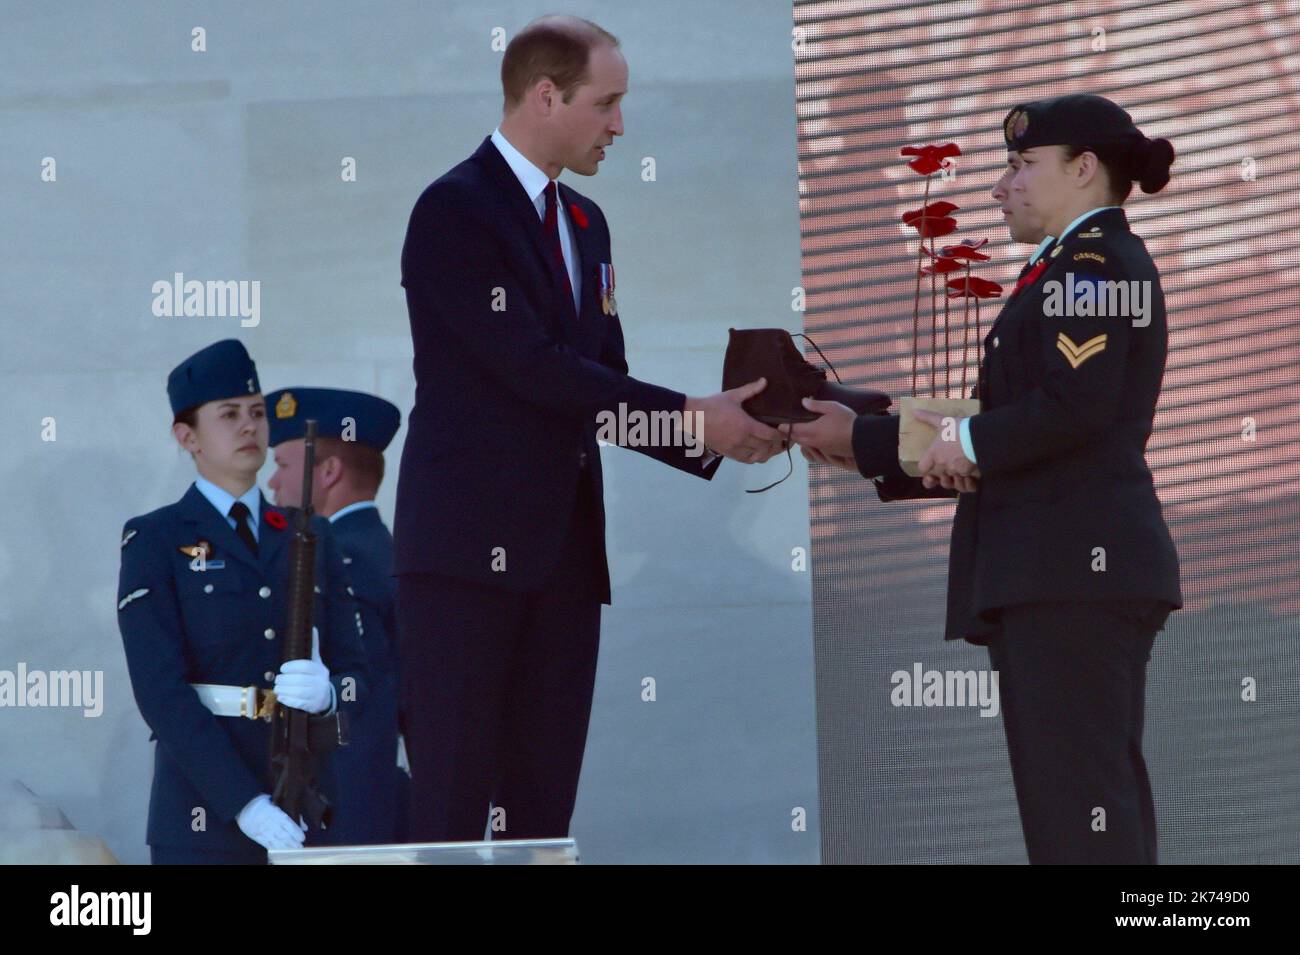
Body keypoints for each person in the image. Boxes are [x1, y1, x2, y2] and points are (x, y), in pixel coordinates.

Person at [393, 14, 786, 842]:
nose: (619, 125)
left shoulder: (586, 224)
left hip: (565, 562)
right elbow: (530, 368)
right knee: (456, 806)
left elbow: (597, 383)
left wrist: (721, 431)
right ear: (545, 95)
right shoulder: (453, 211)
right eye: (606, 104)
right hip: (468, 560)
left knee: (541, 811)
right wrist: (692, 420)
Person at [792, 93, 1183, 864]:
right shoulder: (1070, 268)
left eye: (1020, 166)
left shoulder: (1095, 266)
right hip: (1058, 569)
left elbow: (1072, 410)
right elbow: (1016, 421)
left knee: (1082, 817)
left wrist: (880, 439)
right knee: (1074, 810)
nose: (1002, 186)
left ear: (1083, 169)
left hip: (1072, 570)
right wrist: (869, 439)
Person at [116, 339, 369, 864]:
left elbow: (357, 671)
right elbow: (161, 693)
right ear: (188, 437)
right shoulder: (156, 539)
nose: (249, 426)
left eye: (256, 412)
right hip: (203, 814)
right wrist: (244, 803)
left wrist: (329, 698)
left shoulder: (311, 536)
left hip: (306, 809)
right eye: (228, 414)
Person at [266, 386, 407, 846]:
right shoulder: (382, 550)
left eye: (283, 465)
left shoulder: (344, 555)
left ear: (328, 472)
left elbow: (361, 700)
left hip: (343, 805)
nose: (272, 482)